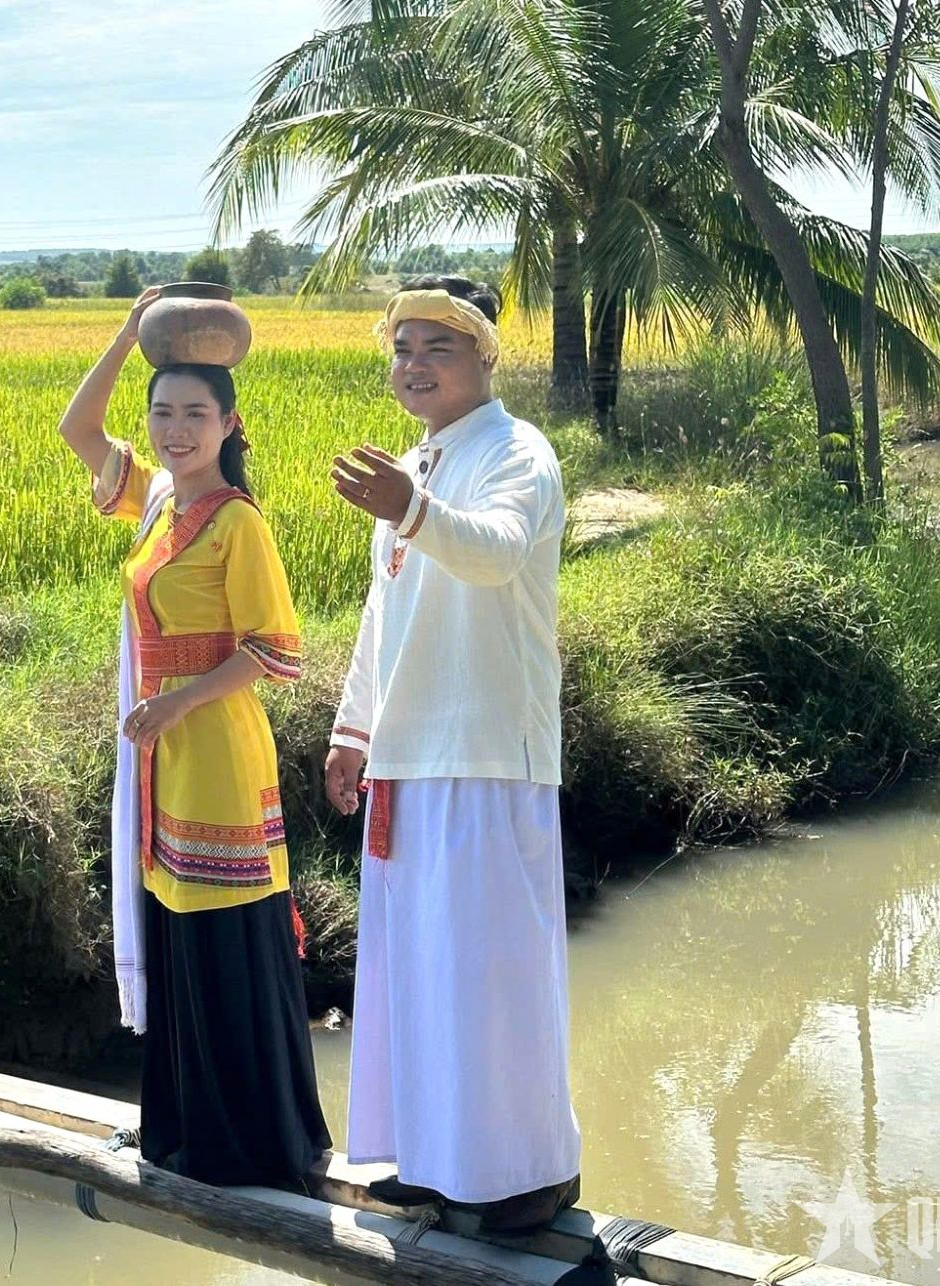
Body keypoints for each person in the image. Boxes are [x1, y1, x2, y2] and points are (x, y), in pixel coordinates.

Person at [57, 288, 330, 1188]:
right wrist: (126, 331)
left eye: (194, 415)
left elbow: (272, 651)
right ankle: (182, 1134)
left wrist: (176, 706)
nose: (176, 431)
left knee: (223, 931)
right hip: (161, 754)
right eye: (163, 413)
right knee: (176, 932)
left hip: (211, 747)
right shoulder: (158, 502)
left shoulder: (236, 521)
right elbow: (76, 429)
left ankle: (249, 1146)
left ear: (229, 422)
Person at [325, 276, 582, 1232]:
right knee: (418, 969)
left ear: (484, 358)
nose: (414, 365)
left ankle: (529, 1177)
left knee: (492, 973)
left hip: (485, 752)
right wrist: (354, 730)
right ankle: (437, 1162)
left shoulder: (517, 452)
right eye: (401, 349)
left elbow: (499, 552)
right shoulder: (414, 463)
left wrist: (413, 509)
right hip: (409, 752)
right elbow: (382, 617)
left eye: (437, 347)